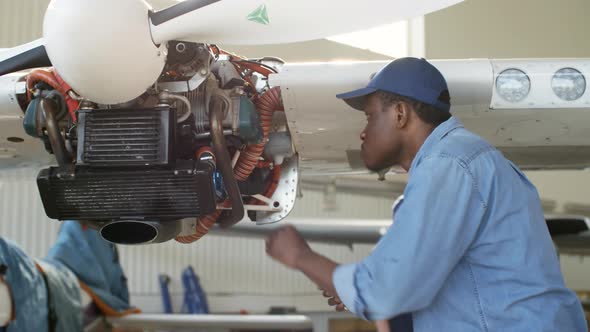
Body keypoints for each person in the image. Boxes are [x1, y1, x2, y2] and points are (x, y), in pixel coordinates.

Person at [265, 57, 587, 331]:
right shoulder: (462, 160)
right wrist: (358, 289)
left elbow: (386, 291)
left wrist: (301, 257)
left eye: (370, 116)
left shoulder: (449, 165)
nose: (363, 131)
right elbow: (411, 288)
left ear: (401, 114)